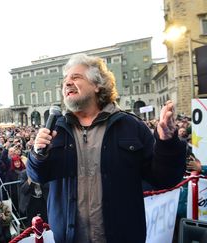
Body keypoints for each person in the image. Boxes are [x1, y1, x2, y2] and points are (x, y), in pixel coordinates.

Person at [27, 53, 186, 243]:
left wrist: (167, 143)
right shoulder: (56, 129)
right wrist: (38, 154)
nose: (67, 83)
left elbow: (165, 179)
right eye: (65, 80)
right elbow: (38, 176)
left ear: (97, 85)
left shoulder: (130, 126)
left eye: (76, 77)